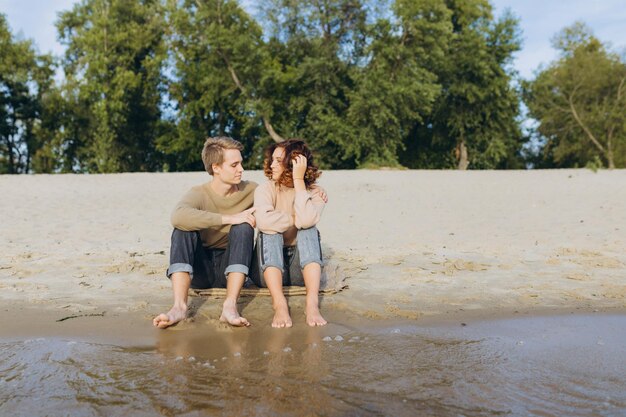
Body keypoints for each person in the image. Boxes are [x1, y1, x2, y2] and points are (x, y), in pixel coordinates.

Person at [153, 137, 257, 329]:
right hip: (202, 272)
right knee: (182, 230)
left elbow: (279, 198)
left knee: (244, 227)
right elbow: (177, 216)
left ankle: (230, 307)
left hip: (233, 268)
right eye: (234, 165)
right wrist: (230, 217)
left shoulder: (251, 190)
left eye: (241, 163)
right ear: (216, 167)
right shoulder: (199, 193)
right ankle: (179, 307)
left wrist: (310, 190)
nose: (241, 169)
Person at [253, 139, 328, 328]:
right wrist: (295, 219)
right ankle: (279, 305)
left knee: (308, 229)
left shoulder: (315, 193)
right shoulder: (265, 189)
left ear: (295, 164)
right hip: (267, 270)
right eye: (272, 160)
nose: (271, 165)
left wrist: (298, 181)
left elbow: (306, 223)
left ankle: (311, 305)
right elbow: (263, 222)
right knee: (271, 232)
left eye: (278, 160)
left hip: (299, 271)